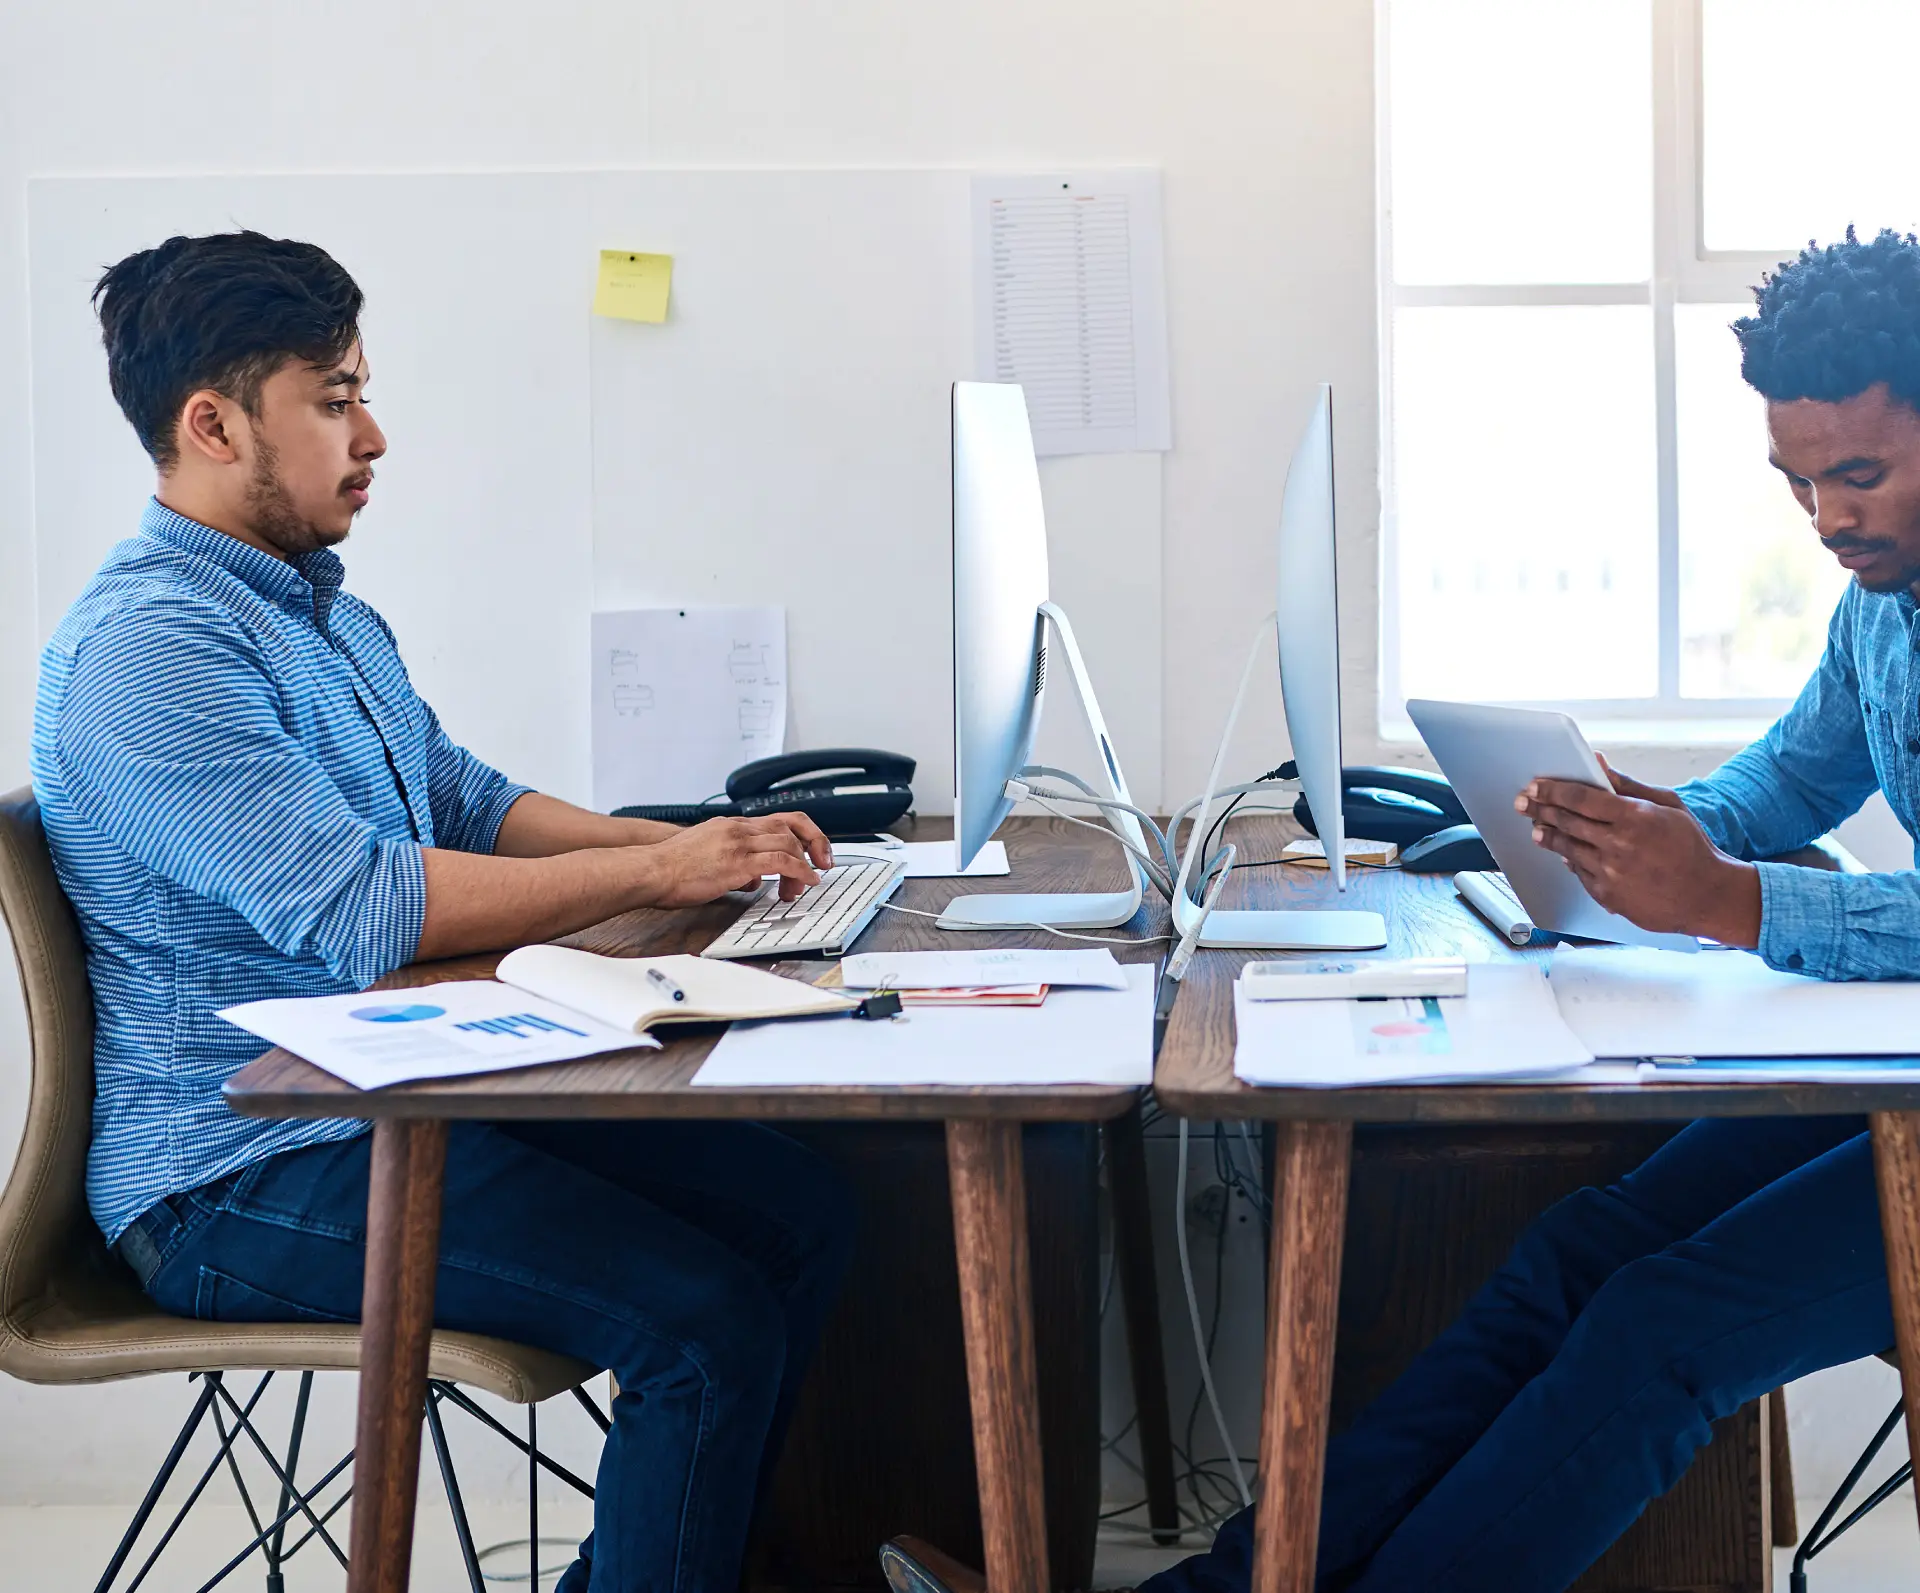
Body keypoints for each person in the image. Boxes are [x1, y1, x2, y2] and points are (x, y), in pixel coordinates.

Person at [883, 225, 1920, 1593]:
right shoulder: (1880, 606)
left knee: (1663, 1329)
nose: (1829, 520)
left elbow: (1757, 885)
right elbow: (1789, 779)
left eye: (1859, 477)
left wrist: (1726, 901)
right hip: (1894, 1078)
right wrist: (1647, 826)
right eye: (1798, 485)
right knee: (1576, 1254)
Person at [31, 230, 854, 1593]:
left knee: (805, 1208)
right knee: (701, 1323)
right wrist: (657, 876)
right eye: (335, 400)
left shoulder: (321, 614)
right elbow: (364, 907)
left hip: (393, 1096)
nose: (374, 436)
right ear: (214, 425)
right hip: (235, 1174)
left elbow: (463, 802)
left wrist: (691, 848)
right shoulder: (149, 650)